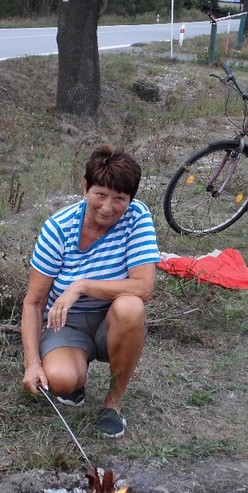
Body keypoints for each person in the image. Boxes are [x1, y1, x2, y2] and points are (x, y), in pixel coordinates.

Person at [21, 144, 160, 438]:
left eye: (120, 199)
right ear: (85, 187)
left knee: (131, 307)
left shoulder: (137, 218)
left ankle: (113, 403)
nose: (108, 207)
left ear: (131, 199)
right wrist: (32, 363)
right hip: (65, 323)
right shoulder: (58, 228)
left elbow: (144, 287)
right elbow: (34, 302)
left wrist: (81, 286)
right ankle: (74, 378)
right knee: (60, 380)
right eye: (100, 195)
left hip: (112, 321)